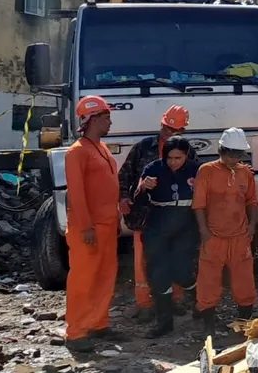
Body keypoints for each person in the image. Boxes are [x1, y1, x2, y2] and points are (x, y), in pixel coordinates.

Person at [118, 105, 190, 322]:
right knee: (142, 260)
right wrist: (123, 197)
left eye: (174, 131)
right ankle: (145, 304)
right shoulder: (143, 148)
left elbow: (197, 175)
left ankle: (174, 301)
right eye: (167, 128)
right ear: (161, 124)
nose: (169, 133)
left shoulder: (186, 151)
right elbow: (125, 174)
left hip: (174, 216)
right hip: (146, 214)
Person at [64, 96, 123, 352]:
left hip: (108, 225)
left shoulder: (102, 148)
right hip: (88, 228)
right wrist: (86, 226)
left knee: (105, 276)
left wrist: (117, 218)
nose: (110, 122)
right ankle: (76, 333)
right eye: (106, 117)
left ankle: (98, 323)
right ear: (92, 120)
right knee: (84, 279)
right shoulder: (76, 152)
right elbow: (76, 193)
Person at [133, 136, 200, 338]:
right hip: (158, 225)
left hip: (186, 225)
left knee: (182, 271)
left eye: (178, 158)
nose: (173, 162)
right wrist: (144, 187)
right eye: (170, 158)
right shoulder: (153, 169)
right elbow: (138, 199)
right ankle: (165, 322)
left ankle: (200, 301)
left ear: (186, 156)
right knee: (159, 274)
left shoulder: (197, 170)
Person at [193, 128, 258, 332]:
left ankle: (243, 323)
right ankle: (208, 325)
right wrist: (204, 232)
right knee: (208, 281)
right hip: (214, 236)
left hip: (240, 236)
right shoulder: (206, 171)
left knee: (244, 279)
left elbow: (252, 201)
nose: (235, 159)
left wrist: (252, 225)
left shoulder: (245, 172)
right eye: (232, 154)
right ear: (222, 150)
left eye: (238, 155)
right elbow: (199, 204)